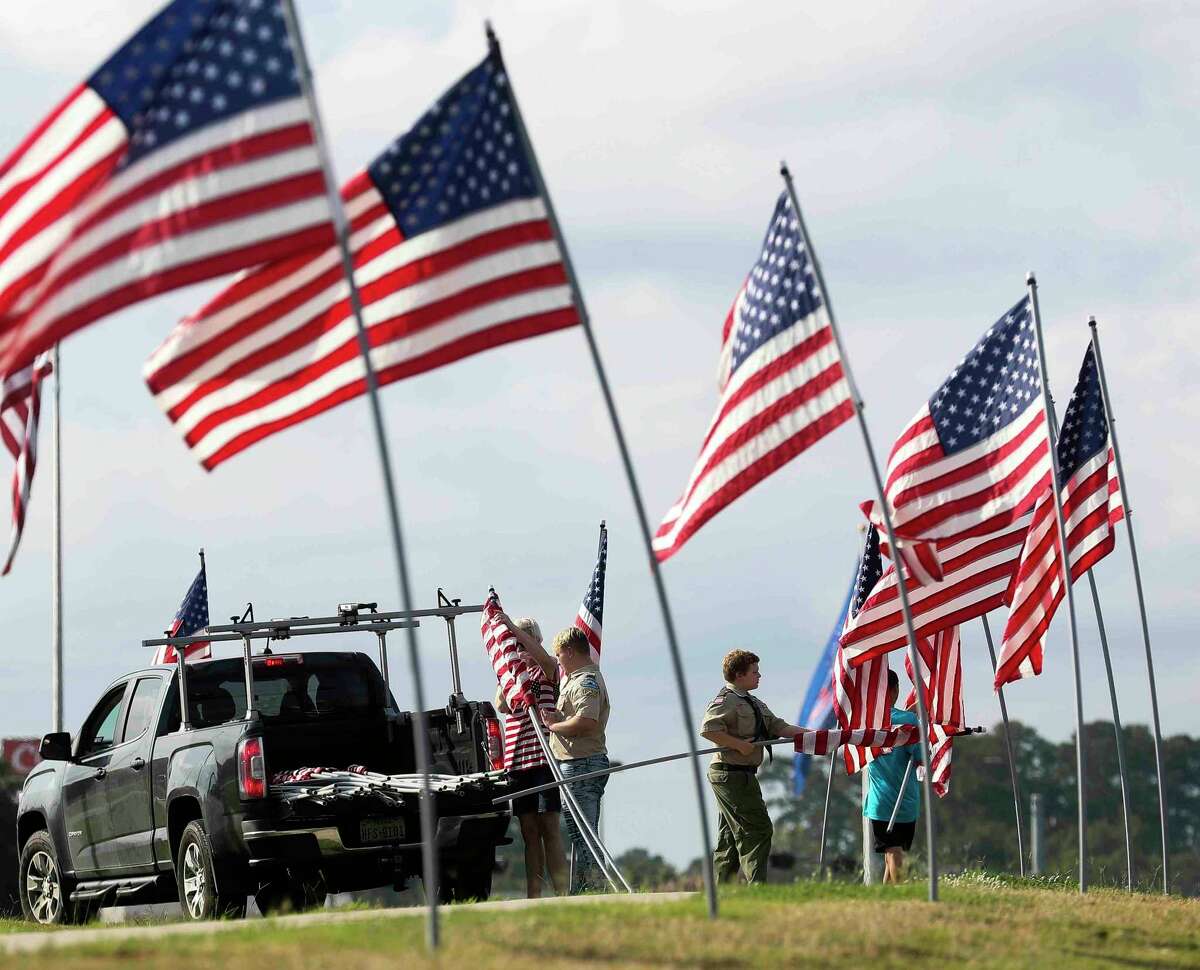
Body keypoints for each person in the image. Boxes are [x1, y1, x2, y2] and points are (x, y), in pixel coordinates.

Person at [699, 649, 803, 884]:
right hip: (729, 773)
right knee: (756, 828)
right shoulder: (726, 700)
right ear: (739, 675)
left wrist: (815, 735)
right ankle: (757, 886)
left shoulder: (753, 702)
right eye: (754, 671)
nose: (759, 675)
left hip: (742, 774)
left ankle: (720, 889)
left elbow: (778, 727)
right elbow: (708, 729)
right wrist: (738, 745)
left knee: (730, 837)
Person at [494, 615, 568, 897]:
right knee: (528, 831)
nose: (520, 647)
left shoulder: (547, 670)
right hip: (517, 760)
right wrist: (512, 663)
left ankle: (562, 893)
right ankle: (533, 894)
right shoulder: (512, 675)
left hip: (542, 758)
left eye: (525, 640)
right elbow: (502, 703)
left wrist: (514, 630)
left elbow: (549, 663)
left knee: (550, 826)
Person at [541, 626, 611, 894]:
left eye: (559, 655)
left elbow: (587, 721)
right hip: (574, 761)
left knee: (584, 832)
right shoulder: (575, 679)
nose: (557, 660)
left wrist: (553, 726)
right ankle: (585, 887)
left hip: (582, 762)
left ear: (569, 652)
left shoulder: (585, 682)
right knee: (579, 832)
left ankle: (595, 886)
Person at [863, 669, 921, 884]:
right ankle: (892, 898)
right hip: (906, 801)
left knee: (892, 852)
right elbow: (920, 755)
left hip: (880, 802)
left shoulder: (866, 721)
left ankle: (897, 898)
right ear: (895, 690)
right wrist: (914, 722)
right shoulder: (908, 720)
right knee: (894, 852)